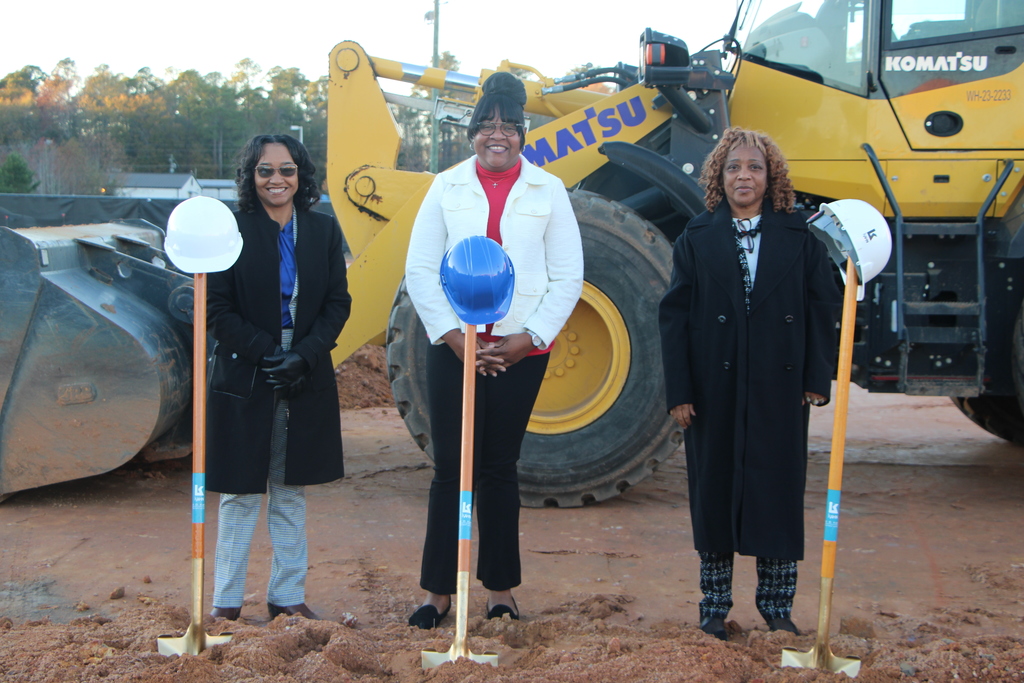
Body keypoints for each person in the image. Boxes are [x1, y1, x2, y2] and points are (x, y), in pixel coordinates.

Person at [404, 72, 584, 629]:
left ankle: (500, 590)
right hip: (454, 348)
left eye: (508, 125)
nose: (497, 134)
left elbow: (568, 277)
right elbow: (420, 270)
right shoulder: (445, 187)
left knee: (500, 468)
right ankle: (437, 592)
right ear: (473, 133)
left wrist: (526, 339)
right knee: (450, 468)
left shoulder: (548, 191)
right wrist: (457, 341)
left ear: (523, 134)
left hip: (519, 352)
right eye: (487, 125)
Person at [658, 127, 841, 640]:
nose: (744, 175)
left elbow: (822, 307)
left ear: (771, 176)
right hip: (711, 390)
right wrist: (681, 391)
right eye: (734, 166)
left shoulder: (801, 238)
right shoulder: (695, 237)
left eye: (755, 167)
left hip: (778, 389)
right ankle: (713, 607)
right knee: (713, 493)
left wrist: (814, 378)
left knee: (776, 494)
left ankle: (777, 607)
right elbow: (673, 317)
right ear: (720, 174)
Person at [205, 134, 354, 624]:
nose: (277, 179)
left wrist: (305, 355)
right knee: (240, 492)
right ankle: (226, 603)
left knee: (291, 490)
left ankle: (286, 597)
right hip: (248, 369)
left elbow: (338, 303)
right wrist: (269, 353)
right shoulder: (232, 229)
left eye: (287, 170)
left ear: (301, 175)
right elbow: (216, 306)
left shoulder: (323, 230)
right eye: (266, 170)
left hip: (304, 372)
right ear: (252, 176)